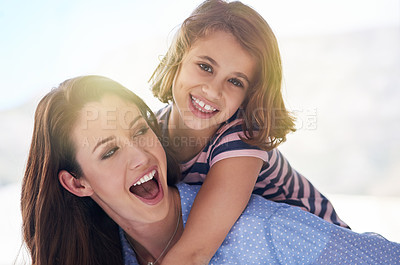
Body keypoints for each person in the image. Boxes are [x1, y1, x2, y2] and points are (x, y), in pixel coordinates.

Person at [21, 75, 400, 265]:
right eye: (110, 152)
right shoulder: (101, 252)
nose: (141, 156)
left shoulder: (262, 230)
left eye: (141, 130)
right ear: (76, 183)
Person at [150, 0, 348, 264]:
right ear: (178, 60)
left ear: (248, 96)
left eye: (235, 81)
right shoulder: (149, 131)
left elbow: (195, 252)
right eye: (205, 67)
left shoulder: (242, 138)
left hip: (323, 247)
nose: (213, 90)